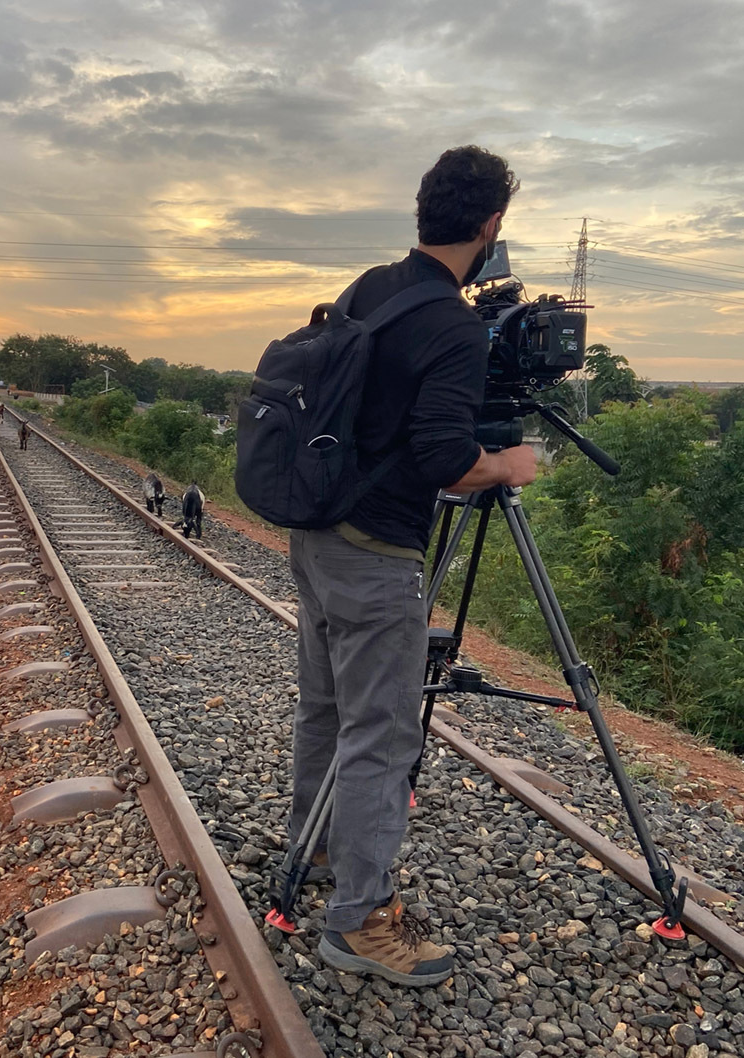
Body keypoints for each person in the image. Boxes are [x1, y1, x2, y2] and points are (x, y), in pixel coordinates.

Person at [289, 146, 536, 988]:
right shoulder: (454, 326)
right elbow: (442, 455)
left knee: (326, 709)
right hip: (376, 553)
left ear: (424, 211)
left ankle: (318, 846)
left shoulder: (369, 287)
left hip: (318, 533)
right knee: (383, 733)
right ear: (491, 226)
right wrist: (505, 465)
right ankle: (359, 919)